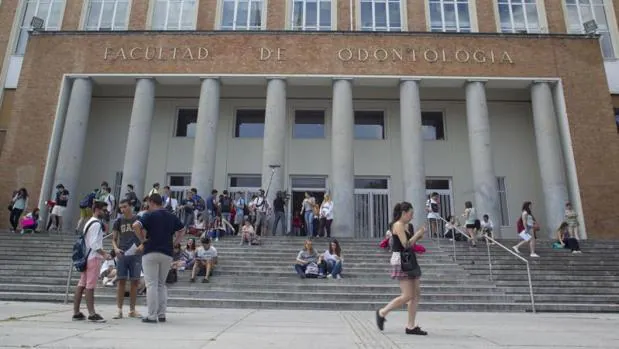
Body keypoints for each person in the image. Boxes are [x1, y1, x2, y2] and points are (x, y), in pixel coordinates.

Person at [132, 194, 186, 324]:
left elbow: (135, 226)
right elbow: (182, 230)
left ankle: (151, 315)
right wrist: (175, 243)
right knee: (162, 284)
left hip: (151, 250)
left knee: (151, 284)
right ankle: (162, 314)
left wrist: (142, 240)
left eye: (148, 203)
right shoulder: (172, 216)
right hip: (167, 252)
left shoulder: (149, 215)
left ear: (151, 202)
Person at [376, 202, 427, 336]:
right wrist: (417, 234)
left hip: (409, 259)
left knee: (416, 294)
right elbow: (406, 244)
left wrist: (417, 236)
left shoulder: (406, 226)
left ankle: (410, 326)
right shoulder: (397, 225)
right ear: (404, 213)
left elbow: (410, 245)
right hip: (401, 261)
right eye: (410, 214)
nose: (412, 217)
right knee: (408, 295)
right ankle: (382, 312)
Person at [72, 201, 111, 323]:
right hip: (93, 258)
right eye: (104, 210)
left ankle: (76, 312)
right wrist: (104, 253)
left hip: (86, 257)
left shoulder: (89, 222)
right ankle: (92, 313)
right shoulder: (96, 224)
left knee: (82, 284)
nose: (106, 212)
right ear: (97, 210)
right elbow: (94, 243)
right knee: (90, 286)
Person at [111, 199, 142, 319]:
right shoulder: (118, 221)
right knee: (121, 281)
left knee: (135, 282)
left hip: (135, 253)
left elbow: (145, 234)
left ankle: (132, 310)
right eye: (121, 207)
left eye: (125, 207)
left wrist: (141, 245)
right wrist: (116, 249)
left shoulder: (138, 219)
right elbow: (113, 238)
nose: (123, 209)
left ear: (130, 206)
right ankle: (119, 309)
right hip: (122, 253)